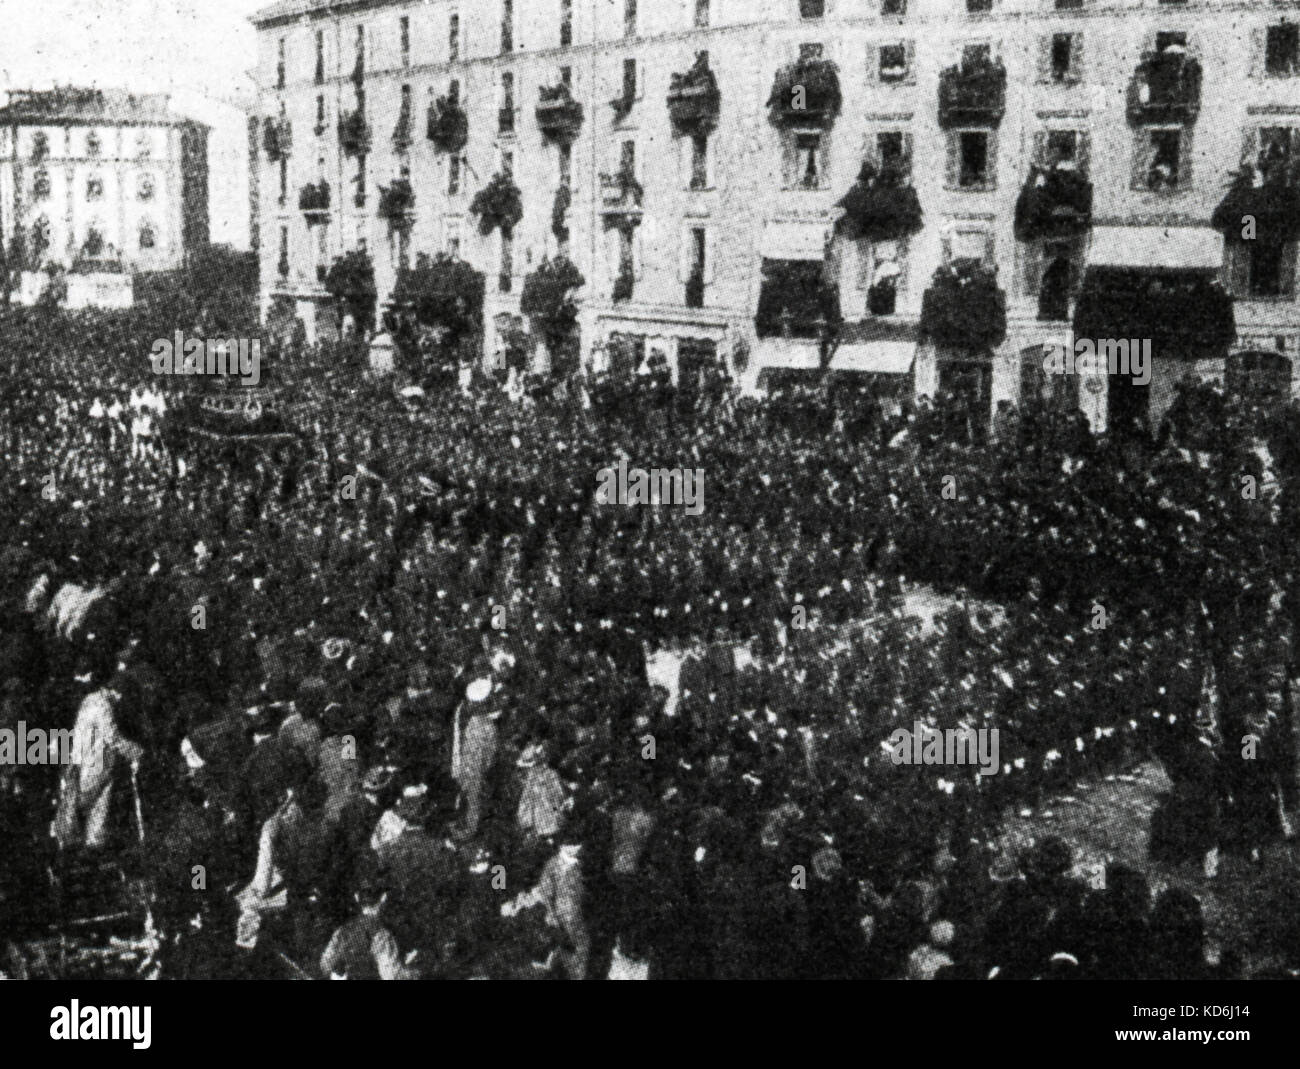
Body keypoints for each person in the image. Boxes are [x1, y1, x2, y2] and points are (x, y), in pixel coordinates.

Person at [319, 878, 419, 980]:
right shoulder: (382, 934)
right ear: (384, 897)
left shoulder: (341, 931)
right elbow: (391, 976)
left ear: (357, 897)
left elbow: (325, 965)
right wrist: (414, 972)